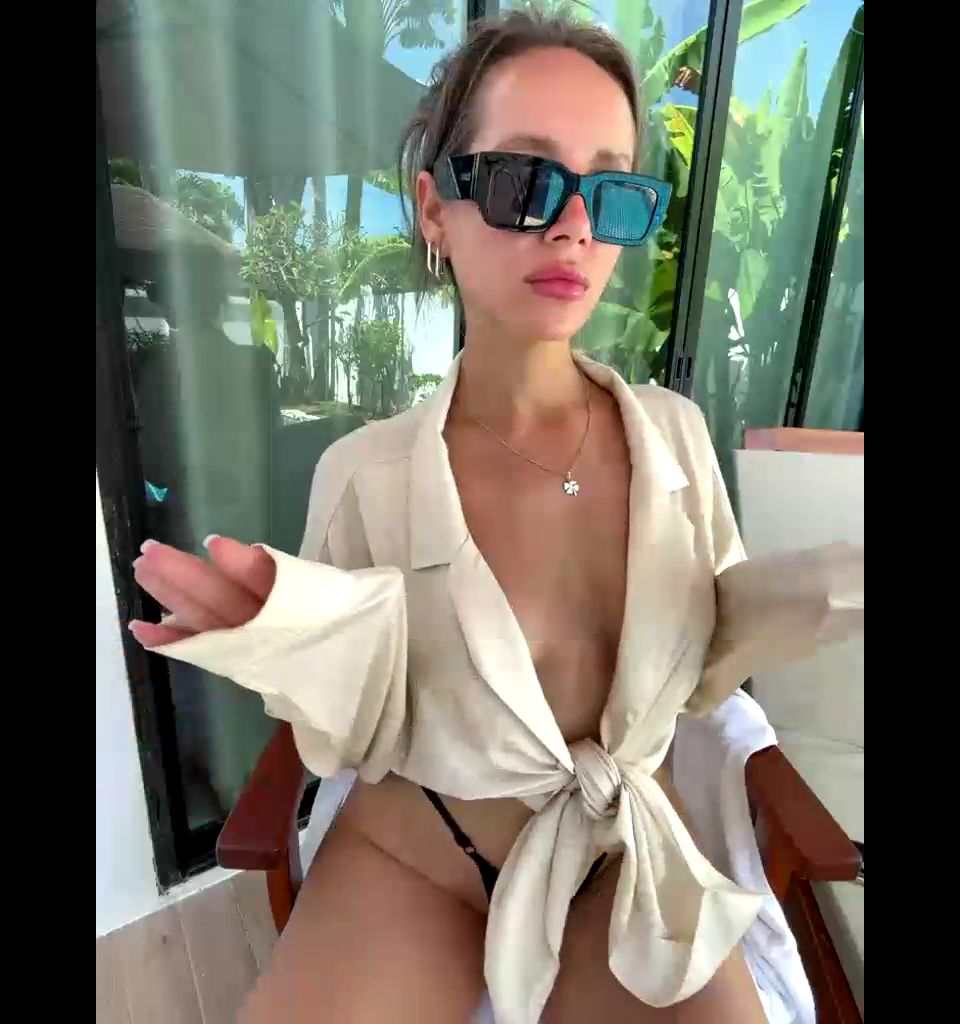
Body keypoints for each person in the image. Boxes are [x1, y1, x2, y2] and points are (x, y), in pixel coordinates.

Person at [129, 11, 862, 1023]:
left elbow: (709, 656)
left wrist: (837, 584)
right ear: (435, 208)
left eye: (612, 189)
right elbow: (350, 721)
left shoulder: (676, 440)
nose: (574, 227)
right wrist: (284, 637)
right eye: (525, 181)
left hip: (617, 859)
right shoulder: (366, 474)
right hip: (414, 857)